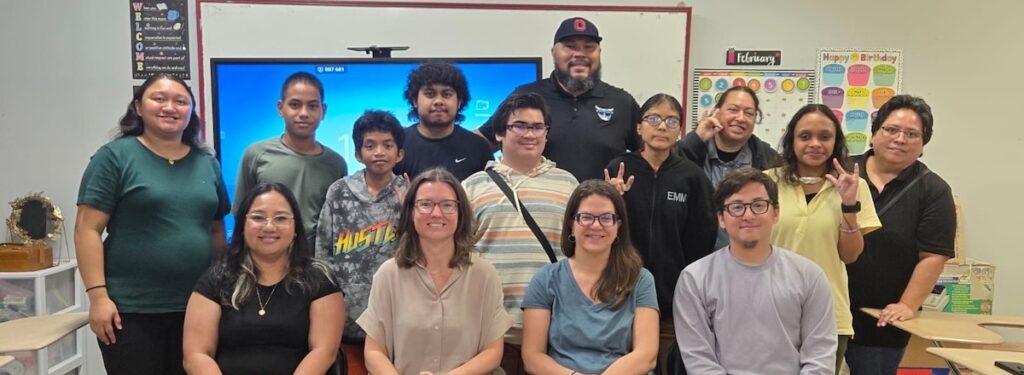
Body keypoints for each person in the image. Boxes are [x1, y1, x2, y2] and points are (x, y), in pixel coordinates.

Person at [75, 73, 231, 374]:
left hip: (197, 306)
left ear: (191, 111)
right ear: (138, 106)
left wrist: (220, 291)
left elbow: (215, 230)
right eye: (159, 98)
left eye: (180, 101)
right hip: (130, 310)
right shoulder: (115, 157)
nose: (170, 107)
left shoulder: (206, 163)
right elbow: (87, 229)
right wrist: (98, 297)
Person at [674, 168, 837, 374]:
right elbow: (699, 360)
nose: (748, 215)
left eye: (759, 205)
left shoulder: (810, 276)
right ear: (721, 218)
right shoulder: (695, 279)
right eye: (736, 207)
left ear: (776, 212)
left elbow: (820, 356)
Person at [462, 93, 578, 374]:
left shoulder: (570, 184)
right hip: (490, 336)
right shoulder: (471, 187)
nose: (530, 134)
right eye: (520, 126)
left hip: (556, 333)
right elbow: (459, 258)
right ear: (500, 133)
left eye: (538, 127)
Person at [357, 168, 512, 375]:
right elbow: (374, 352)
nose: (436, 213)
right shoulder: (389, 274)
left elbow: (493, 352)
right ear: (411, 211)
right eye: (425, 204)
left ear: (460, 212)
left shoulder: (484, 275)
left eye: (447, 205)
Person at [604, 93, 717, 374]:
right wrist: (613, 201)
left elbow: (702, 241)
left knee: (665, 364)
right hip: (618, 296)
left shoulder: (692, 176)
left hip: (671, 302)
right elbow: (594, 231)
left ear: (680, 129)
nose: (662, 126)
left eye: (671, 120)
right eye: (653, 118)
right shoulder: (618, 169)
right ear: (639, 128)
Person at [765, 104, 881, 373]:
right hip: (771, 310)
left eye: (824, 137)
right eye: (805, 136)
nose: (815, 144)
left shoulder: (854, 184)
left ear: (836, 141)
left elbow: (850, 255)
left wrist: (849, 205)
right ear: (791, 140)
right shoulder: (766, 182)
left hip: (829, 313)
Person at [183, 183, 345, 375]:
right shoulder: (216, 279)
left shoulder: (319, 280)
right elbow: (196, 354)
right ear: (243, 226)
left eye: (281, 218)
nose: (269, 227)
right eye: (258, 218)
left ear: (295, 229)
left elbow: (324, 351)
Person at [845, 95, 956, 374]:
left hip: (881, 318)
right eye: (891, 129)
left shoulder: (933, 190)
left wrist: (907, 305)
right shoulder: (843, 172)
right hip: (825, 307)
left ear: (922, 146)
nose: (900, 139)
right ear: (874, 134)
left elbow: (933, 256)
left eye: (911, 134)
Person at [476, 17, 640, 182]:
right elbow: (481, 140)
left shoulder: (622, 102)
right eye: (570, 46)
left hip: (603, 206)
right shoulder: (526, 96)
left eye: (589, 47)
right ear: (554, 53)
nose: (580, 54)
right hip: (537, 204)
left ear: (599, 53)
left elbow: (651, 155)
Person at [522, 180, 659, 375]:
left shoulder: (641, 280)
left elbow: (646, 355)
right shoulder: (545, 280)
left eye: (606, 218)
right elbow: (533, 358)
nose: (596, 225)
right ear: (571, 224)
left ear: (619, 226)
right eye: (586, 217)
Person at [315, 110, 408, 375]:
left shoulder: (408, 193)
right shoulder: (339, 191)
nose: (379, 152)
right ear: (358, 154)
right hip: (345, 318)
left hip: (395, 316)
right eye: (370, 145)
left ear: (399, 153)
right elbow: (323, 249)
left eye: (387, 145)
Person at [235, 72, 347, 246]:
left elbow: (337, 223)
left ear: (323, 111)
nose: (304, 113)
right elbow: (241, 216)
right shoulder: (256, 155)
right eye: (295, 105)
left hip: (314, 264)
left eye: (312, 106)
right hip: (265, 259)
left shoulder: (336, 164)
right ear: (281, 108)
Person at [676, 85, 779, 249]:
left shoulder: (767, 158)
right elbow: (668, 173)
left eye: (749, 113)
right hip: (697, 260)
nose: (741, 118)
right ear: (716, 113)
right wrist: (696, 139)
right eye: (733, 109)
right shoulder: (692, 150)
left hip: (749, 257)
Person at [393, 62, 493, 181]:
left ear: (459, 102)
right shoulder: (396, 145)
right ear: (415, 100)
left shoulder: (479, 147)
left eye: (447, 94)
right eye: (430, 94)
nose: (439, 101)